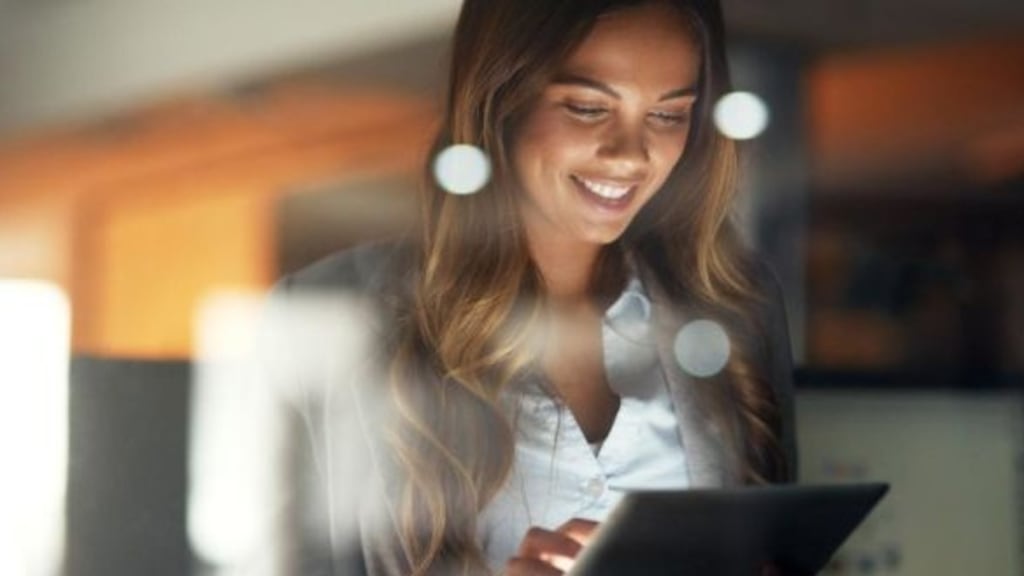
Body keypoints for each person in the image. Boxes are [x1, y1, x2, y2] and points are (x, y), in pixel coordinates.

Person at [266, 0, 798, 574]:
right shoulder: (332, 316)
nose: (631, 155)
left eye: (669, 115)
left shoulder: (737, 305)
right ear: (500, 101)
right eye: (588, 108)